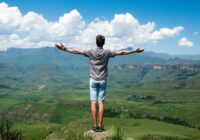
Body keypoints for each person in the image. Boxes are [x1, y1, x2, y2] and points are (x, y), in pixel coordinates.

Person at [55, 35, 144, 132]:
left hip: (93, 79)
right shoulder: (107, 52)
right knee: (101, 102)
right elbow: (121, 52)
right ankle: (100, 126)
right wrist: (134, 51)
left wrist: (65, 49)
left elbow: (77, 51)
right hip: (103, 80)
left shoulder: (90, 51)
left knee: (93, 102)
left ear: (96, 42)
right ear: (104, 43)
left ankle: (94, 126)